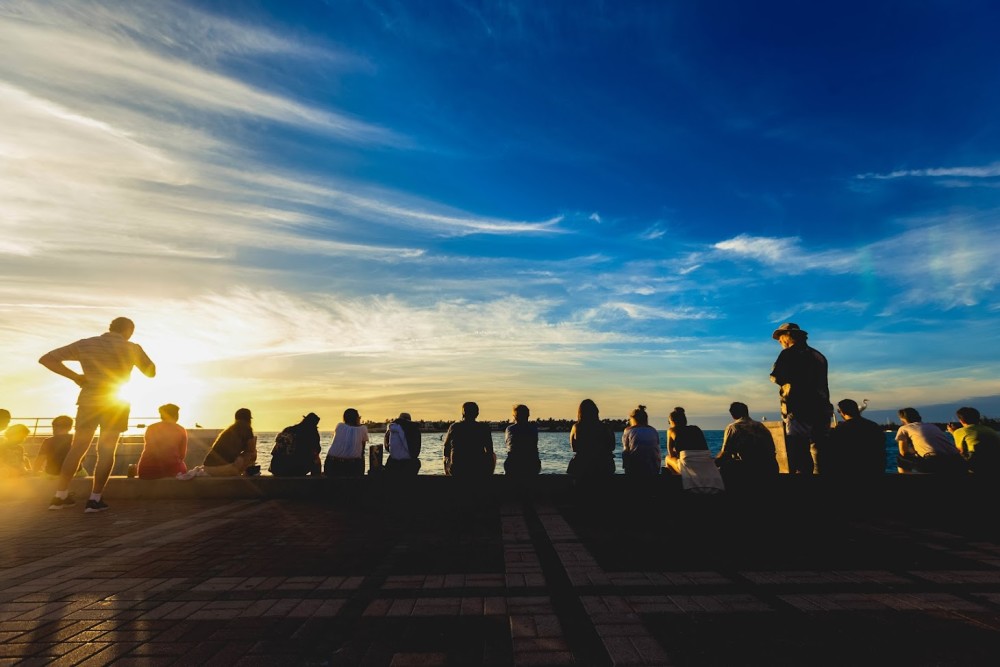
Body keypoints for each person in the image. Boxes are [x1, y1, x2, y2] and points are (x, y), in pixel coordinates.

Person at [39, 316, 156, 512]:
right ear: (128, 330)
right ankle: (94, 500)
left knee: (77, 449)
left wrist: (76, 376)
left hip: (88, 401)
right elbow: (151, 372)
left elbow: (47, 359)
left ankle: (59, 496)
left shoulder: (86, 344)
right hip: (115, 403)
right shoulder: (132, 348)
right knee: (106, 451)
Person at [769, 322, 832, 474]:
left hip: (797, 409)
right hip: (821, 409)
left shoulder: (789, 353)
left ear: (788, 336)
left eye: (780, 338)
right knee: (819, 450)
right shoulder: (819, 356)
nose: (779, 342)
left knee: (799, 450)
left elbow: (776, 377)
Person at [664, 407, 724, 492]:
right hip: (706, 461)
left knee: (667, 458)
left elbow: (671, 454)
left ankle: (677, 486)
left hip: (687, 464)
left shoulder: (671, 430)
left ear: (671, 421)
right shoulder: (696, 429)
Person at [823, 399, 886, 477]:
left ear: (843, 412)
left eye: (839, 411)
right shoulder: (874, 426)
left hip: (850, 471)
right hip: (874, 470)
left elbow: (833, 451)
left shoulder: (841, 429)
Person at [715, 402, 778, 479]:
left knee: (725, 466)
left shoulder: (734, 427)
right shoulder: (761, 426)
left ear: (732, 415)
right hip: (770, 468)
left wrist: (711, 465)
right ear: (747, 412)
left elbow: (725, 453)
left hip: (749, 470)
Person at [895, 407, 965, 474]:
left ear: (903, 419)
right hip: (956, 461)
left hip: (933, 462)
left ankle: (905, 478)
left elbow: (903, 452)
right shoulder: (932, 426)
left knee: (901, 457)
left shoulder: (904, 428)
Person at [442, 402, 496, 477]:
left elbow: (446, 449)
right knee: (493, 455)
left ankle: (448, 475)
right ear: (477, 414)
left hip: (457, 470)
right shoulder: (484, 428)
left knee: (446, 456)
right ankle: (489, 477)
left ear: (463, 414)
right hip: (478, 469)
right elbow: (489, 450)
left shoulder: (454, 427)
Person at [137, 404, 188, 480]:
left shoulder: (151, 428)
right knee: (183, 467)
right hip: (170, 470)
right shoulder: (180, 430)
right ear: (176, 415)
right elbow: (182, 455)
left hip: (146, 471)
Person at [567, 398, 615, 478]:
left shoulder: (576, 427)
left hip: (582, 465)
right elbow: (612, 447)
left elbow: (574, 448)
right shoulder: (606, 427)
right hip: (604, 465)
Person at [202, 408, 257, 476]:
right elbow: (252, 450)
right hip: (220, 469)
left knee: (241, 457)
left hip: (207, 468)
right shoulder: (247, 428)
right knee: (251, 454)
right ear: (248, 419)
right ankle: (243, 475)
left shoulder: (229, 430)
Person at [948, 407, 1000, 474]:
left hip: (977, 465)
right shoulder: (990, 430)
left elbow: (960, 451)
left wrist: (954, 433)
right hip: (994, 463)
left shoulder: (960, 432)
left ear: (961, 420)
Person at [325, 408, 369, 477]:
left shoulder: (339, 426)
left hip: (332, 464)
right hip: (351, 466)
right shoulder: (363, 429)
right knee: (361, 455)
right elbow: (362, 450)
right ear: (357, 418)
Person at [621, 405, 661, 476]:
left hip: (635, 468)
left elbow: (626, 450)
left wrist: (625, 466)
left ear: (632, 419)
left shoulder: (628, 430)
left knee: (626, 452)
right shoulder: (653, 430)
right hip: (653, 468)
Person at [503, 404, 541, 477]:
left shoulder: (509, 429)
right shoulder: (533, 429)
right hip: (532, 465)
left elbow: (507, 443)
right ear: (528, 415)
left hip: (513, 465)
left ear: (514, 416)